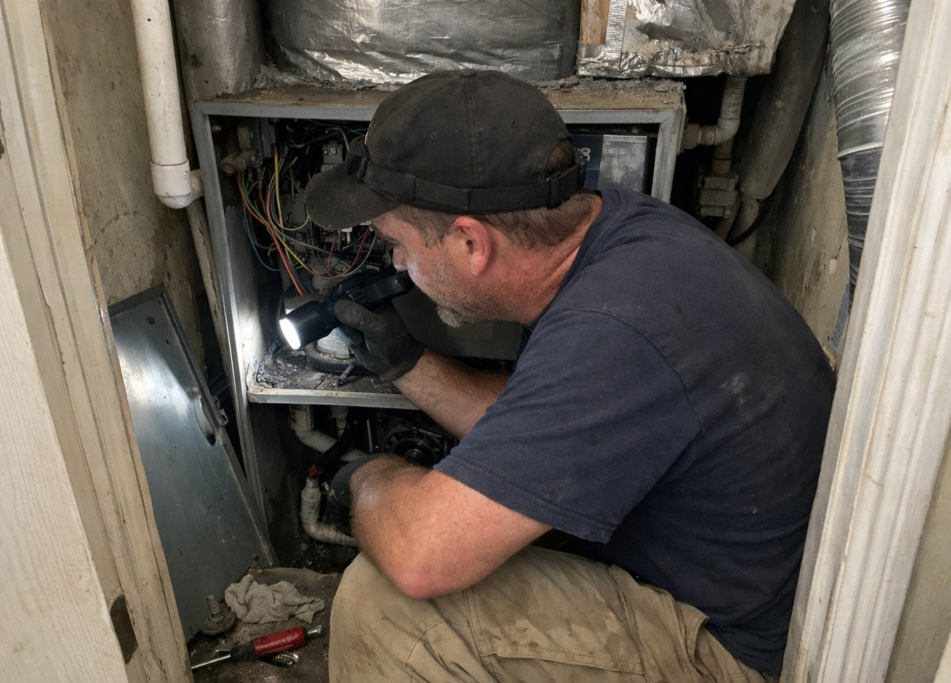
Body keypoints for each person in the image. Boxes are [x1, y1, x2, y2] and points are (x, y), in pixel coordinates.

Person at [303, 70, 835, 683]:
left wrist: (368, 478)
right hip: (713, 572)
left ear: (471, 243)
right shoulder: (620, 235)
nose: (396, 263)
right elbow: (542, 424)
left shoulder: (613, 329)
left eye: (397, 243)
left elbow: (420, 557)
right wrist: (404, 362)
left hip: (730, 648)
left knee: (387, 606)